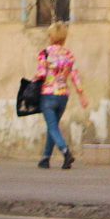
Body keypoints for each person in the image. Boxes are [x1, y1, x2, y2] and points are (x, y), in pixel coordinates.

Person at [34, 22, 88, 169]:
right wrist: (81, 96)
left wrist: (33, 81)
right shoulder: (69, 55)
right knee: (54, 127)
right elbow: (75, 77)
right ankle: (45, 158)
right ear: (64, 38)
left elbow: (41, 74)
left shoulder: (44, 54)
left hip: (47, 94)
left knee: (52, 127)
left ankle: (66, 152)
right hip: (63, 95)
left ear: (51, 37)